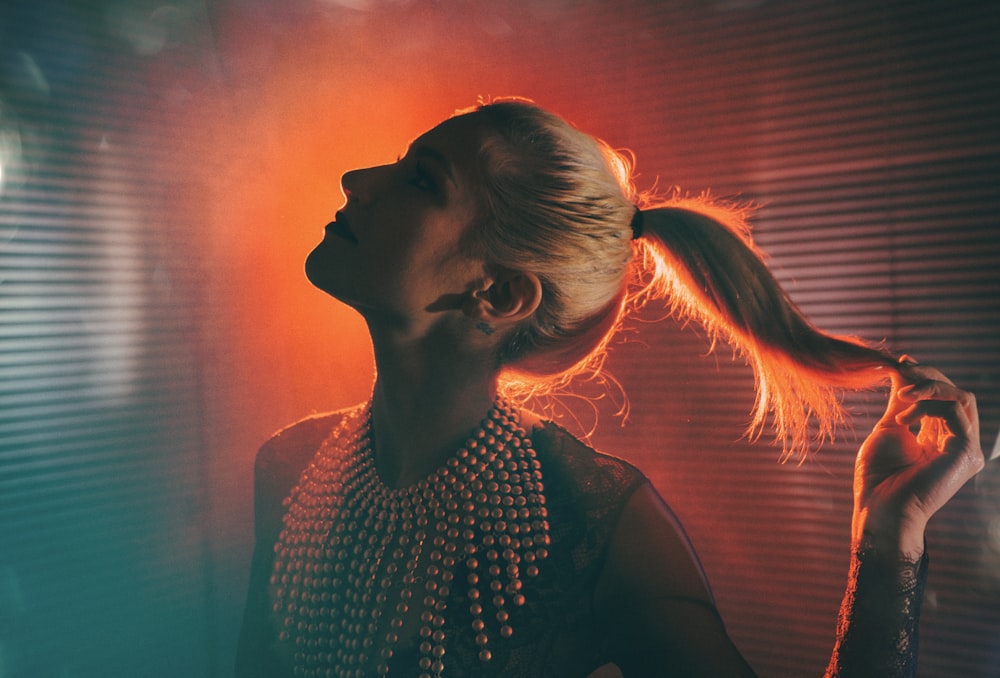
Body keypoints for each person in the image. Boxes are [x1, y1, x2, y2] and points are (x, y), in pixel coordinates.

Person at [235, 98, 984, 677]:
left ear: (498, 294)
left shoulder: (596, 522)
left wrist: (887, 543)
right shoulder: (293, 466)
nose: (355, 181)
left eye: (421, 179)